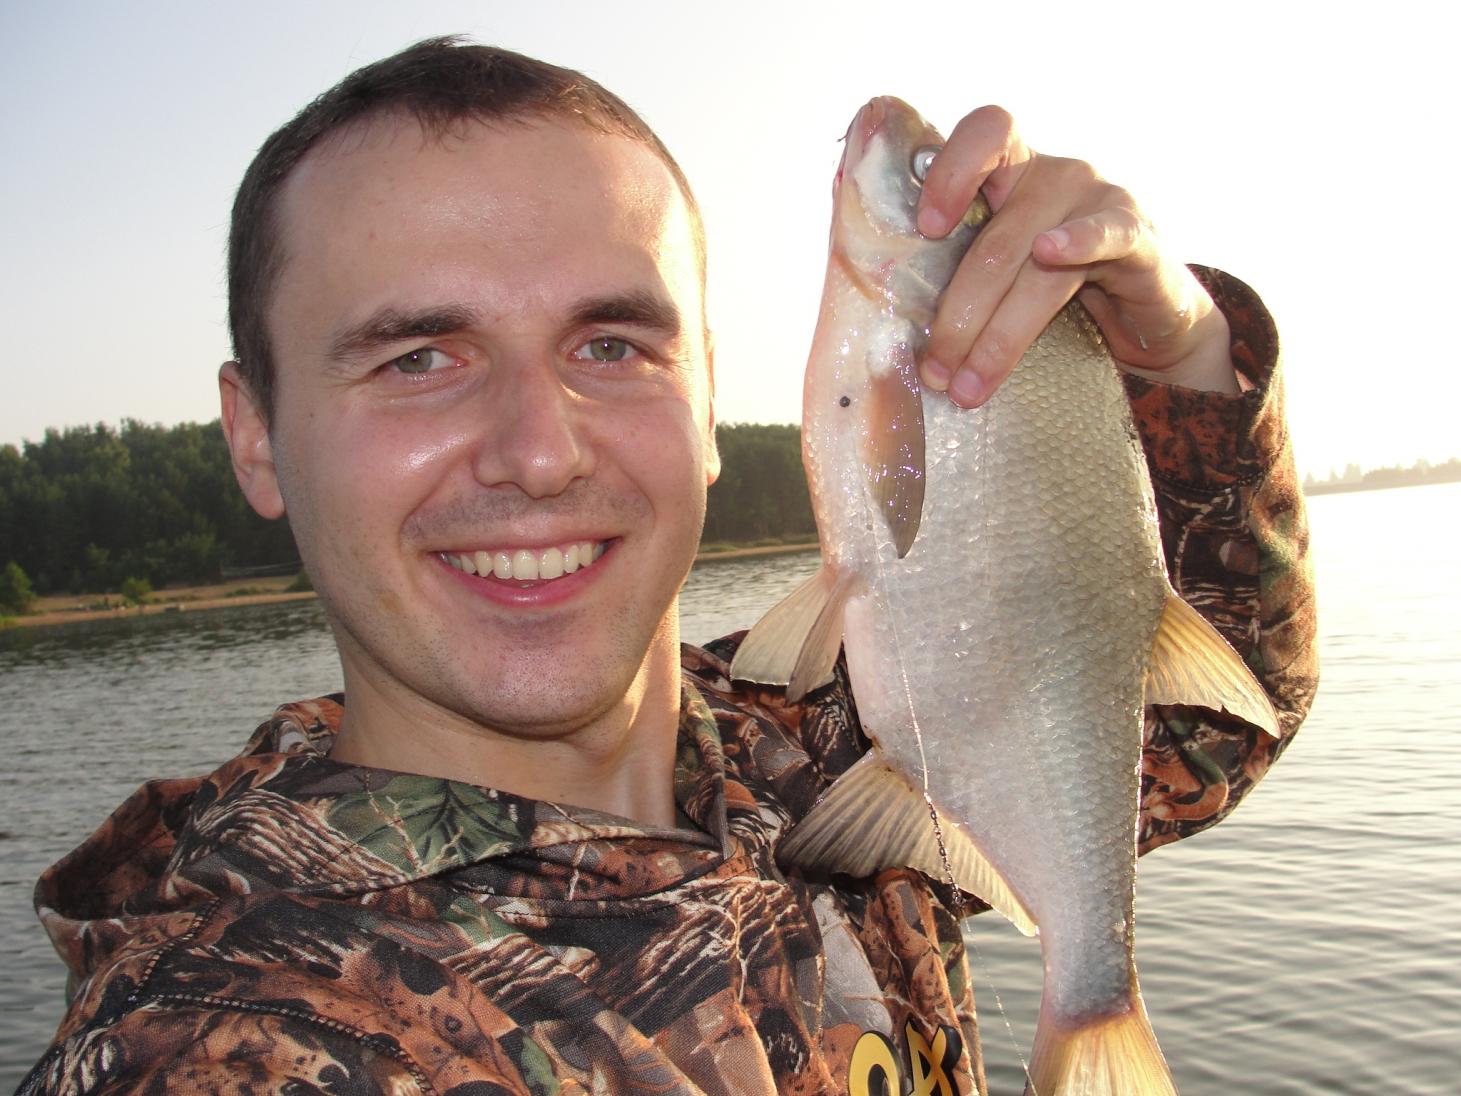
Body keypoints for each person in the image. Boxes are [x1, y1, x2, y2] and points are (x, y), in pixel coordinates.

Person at [21, 37, 1316, 1095]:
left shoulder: (819, 751)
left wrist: (1180, 355)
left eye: (610, 347)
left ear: (707, 404)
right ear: (256, 435)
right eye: (418, 358)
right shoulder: (224, 1041)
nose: (539, 453)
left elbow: (1209, 719)